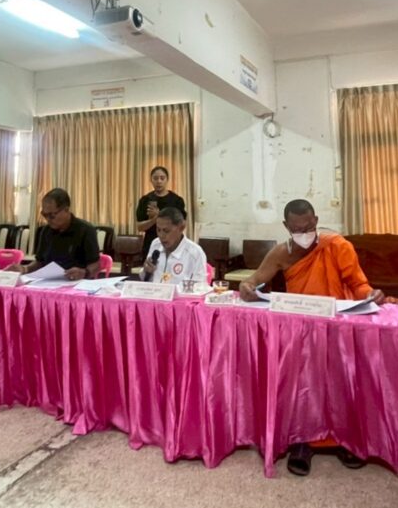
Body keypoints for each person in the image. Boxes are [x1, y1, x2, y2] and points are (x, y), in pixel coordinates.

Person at [238, 199, 384, 476]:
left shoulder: (337, 245)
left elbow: (358, 284)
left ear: (316, 221)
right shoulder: (281, 252)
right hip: (299, 331)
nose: (303, 234)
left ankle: (343, 438)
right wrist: (247, 287)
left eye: (308, 227)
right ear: (286, 226)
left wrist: (371, 294)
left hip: (335, 326)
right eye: (296, 229)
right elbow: (254, 280)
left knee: (341, 382)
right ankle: (301, 440)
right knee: (301, 386)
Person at [16, 189, 99, 281]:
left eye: (52, 215)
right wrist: (25, 269)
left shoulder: (85, 230)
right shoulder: (46, 231)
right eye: (44, 215)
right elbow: (40, 262)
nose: (48, 219)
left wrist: (84, 272)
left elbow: (96, 265)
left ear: (66, 209)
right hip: (48, 283)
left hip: (77, 283)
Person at [141, 207, 208, 285]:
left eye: (166, 231)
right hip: (154, 292)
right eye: (158, 230)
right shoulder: (155, 244)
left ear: (181, 228)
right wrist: (146, 271)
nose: (161, 236)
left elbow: (200, 288)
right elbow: (145, 280)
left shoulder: (195, 253)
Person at [135, 166, 186, 258]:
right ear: (151, 180)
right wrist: (154, 219)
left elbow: (182, 225)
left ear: (167, 180)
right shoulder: (145, 200)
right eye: (155, 178)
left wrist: (159, 215)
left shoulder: (176, 200)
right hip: (150, 244)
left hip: (173, 244)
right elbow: (140, 227)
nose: (159, 181)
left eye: (162, 178)